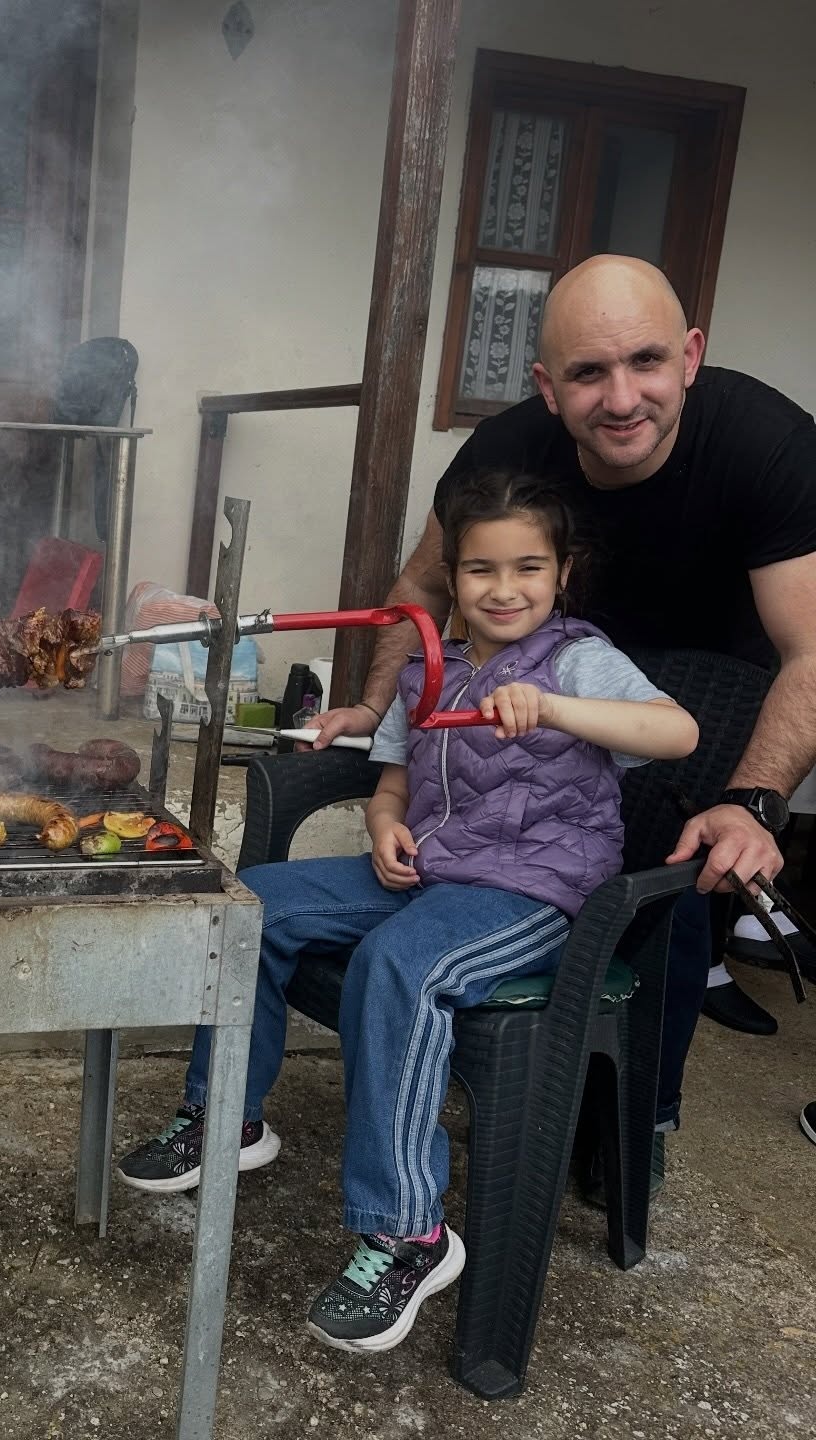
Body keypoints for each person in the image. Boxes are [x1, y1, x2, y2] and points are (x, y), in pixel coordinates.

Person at [117, 471, 699, 1353]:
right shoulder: (437, 667)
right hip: (429, 871)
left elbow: (677, 732)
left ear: (563, 573)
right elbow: (394, 784)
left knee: (401, 963)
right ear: (454, 580)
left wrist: (554, 708)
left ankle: (408, 1233)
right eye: (480, 570)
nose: (504, 590)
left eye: (528, 568)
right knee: (254, 902)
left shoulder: (580, 657)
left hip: (531, 891)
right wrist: (388, 829)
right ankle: (225, 1114)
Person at [310, 255, 816, 1146]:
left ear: (691, 356)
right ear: (548, 386)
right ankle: (483, 1004)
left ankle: (636, 1117)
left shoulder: (767, 443)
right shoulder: (503, 451)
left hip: (719, 662)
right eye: (588, 373)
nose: (621, 398)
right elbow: (422, 595)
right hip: (555, 638)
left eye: (647, 362)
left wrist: (753, 804)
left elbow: (810, 648)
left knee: (674, 835)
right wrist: (384, 707)